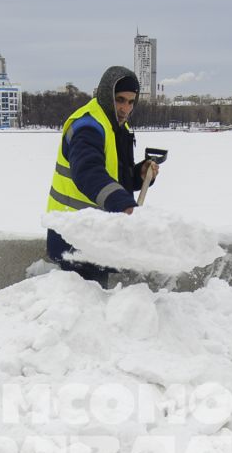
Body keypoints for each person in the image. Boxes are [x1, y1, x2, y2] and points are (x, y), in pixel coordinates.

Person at [43, 65, 162, 287]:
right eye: (120, 99)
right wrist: (124, 204)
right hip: (74, 235)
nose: (125, 108)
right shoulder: (88, 127)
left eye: (131, 101)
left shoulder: (116, 126)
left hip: (94, 234)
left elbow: (112, 174)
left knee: (94, 307)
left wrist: (139, 174)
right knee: (83, 310)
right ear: (106, 95)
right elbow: (88, 172)